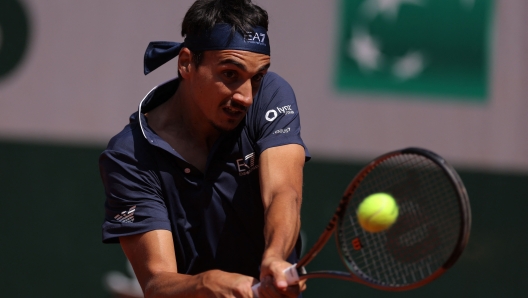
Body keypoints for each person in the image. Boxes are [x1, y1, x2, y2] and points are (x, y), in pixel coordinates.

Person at [99, 0, 310, 297]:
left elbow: (283, 192)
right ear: (186, 63)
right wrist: (205, 283)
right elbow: (157, 283)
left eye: (257, 77)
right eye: (229, 74)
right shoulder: (129, 156)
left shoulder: (271, 96)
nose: (246, 97)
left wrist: (274, 257)